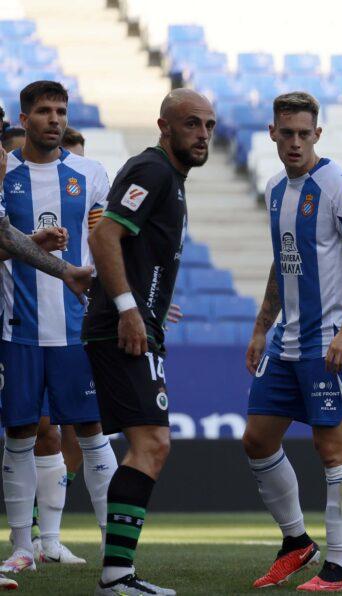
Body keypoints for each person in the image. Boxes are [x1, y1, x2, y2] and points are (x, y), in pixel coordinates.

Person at [241, 91, 342, 592]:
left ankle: (337, 570)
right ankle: (296, 541)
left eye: (305, 133)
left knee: (333, 448)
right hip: (287, 341)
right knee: (257, 439)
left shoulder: (340, 185)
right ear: (272, 133)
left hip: (331, 343)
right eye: (287, 132)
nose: (295, 141)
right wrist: (262, 325)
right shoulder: (277, 188)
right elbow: (285, 262)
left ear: (317, 135)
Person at [82, 88, 216, 596]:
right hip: (119, 329)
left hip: (134, 323)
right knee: (152, 443)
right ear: (165, 125)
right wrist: (129, 309)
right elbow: (104, 237)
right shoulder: (154, 170)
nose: (202, 134)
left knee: (148, 445)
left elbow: (132, 249)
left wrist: (149, 305)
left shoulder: (169, 177)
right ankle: (116, 577)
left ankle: (116, 573)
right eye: (191, 124)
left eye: (208, 125)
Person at [0, 81, 119, 574]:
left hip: (77, 327)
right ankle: (23, 546)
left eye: (61, 111)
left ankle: (117, 549)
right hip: (19, 327)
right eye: (44, 111)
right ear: (23, 119)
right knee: (22, 432)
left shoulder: (90, 173)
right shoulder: (5, 175)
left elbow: (109, 241)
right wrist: (34, 241)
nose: (54, 119)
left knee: (92, 431)